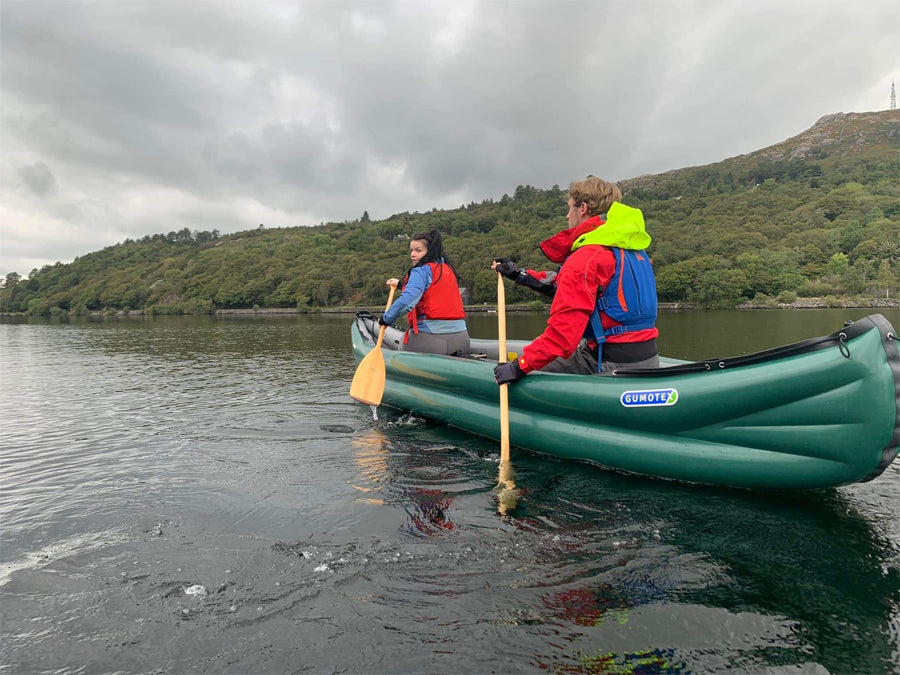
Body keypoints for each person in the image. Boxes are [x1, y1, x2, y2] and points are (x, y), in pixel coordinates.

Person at [492, 177, 659, 384]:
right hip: (650, 359)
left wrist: (519, 367)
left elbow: (562, 336)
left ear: (583, 208)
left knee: (530, 370)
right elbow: (568, 284)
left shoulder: (587, 257)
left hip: (607, 362)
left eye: (570, 208)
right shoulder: (635, 252)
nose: (567, 215)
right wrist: (518, 274)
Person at [380, 229, 470, 356]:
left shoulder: (420, 270)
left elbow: (407, 301)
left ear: (430, 251)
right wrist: (401, 284)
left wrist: (385, 319)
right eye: (411, 250)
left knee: (401, 344)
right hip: (461, 340)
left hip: (429, 341)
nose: (412, 254)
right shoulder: (447, 269)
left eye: (418, 250)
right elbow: (432, 290)